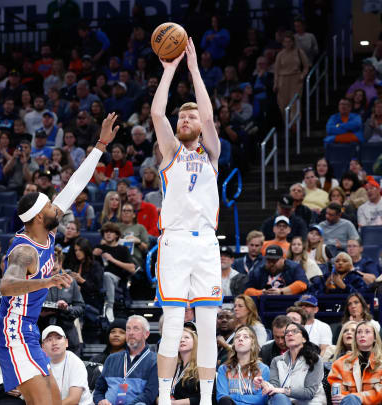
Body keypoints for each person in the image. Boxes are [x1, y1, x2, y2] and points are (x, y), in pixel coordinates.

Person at [0, 112, 119, 405]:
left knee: (55, 401)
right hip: (12, 330)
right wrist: (47, 279)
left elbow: (74, 185)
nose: (55, 208)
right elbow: (7, 286)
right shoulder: (24, 250)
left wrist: (100, 145)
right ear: (36, 217)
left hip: (28, 329)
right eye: (49, 205)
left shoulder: (48, 228)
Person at [150, 37, 223, 405]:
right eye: (183, 116)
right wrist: (169, 71)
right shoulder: (170, 152)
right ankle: (164, 397)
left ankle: (206, 399)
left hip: (207, 243)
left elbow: (209, 116)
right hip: (175, 241)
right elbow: (157, 114)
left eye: (190, 116)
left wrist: (194, 69)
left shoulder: (211, 153)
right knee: (173, 323)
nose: (186, 119)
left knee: (208, 326)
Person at [93, 315, 159, 405]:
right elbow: (99, 391)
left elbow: (149, 395)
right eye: (128, 329)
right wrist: (100, 400)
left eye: (136, 329)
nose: (131, 333)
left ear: (146, 334)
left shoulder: (155, 360)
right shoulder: (111, 359)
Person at [256, 322, 324, 405]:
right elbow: (274, 388)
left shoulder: (315, 359)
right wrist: (264, 383)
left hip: (310, 403)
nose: (289, 334)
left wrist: (284, 390)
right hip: (284, 402)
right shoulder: (276, 361)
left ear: (304, 339)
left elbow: (309, 393)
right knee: (278, 397)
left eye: (294, 331)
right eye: (286, 332)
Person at [328, 321, 382, 405]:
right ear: (355, 338)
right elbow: (338, 395)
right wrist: (351, 399)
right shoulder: (340, 363)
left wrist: (355, 398)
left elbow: (380, 394)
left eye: (367, 332)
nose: (362, 335)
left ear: (374, 338)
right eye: (359, 332)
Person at [216, 326, 270, 405]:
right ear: (234, 344)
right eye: (237, 337)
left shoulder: (263, 369)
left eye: (245, 337)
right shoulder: (224, 369)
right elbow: (222, 397)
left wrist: (233, 397)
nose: (240, 339)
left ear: (252, 343)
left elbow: (261, 399)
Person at [41, 326, 93, 405]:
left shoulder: (75, 362)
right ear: (43, 347)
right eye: (49, 340)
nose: (54, 343)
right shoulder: (39, 364)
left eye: (58, 338)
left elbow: (73, 400)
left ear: (66, 343)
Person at [273, 33, 309, 115]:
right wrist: (276, 83)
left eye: (289, 41)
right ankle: (285, 124)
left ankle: (295, 125)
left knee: (295, 102)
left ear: (293, 42)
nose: (288, 44)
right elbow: (276, 70)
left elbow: (306, 66)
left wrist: (303, 75)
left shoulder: (299, 52)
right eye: (286, 42)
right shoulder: (280, 54)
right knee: (282, 104)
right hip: (283, 80)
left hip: (296, 79)